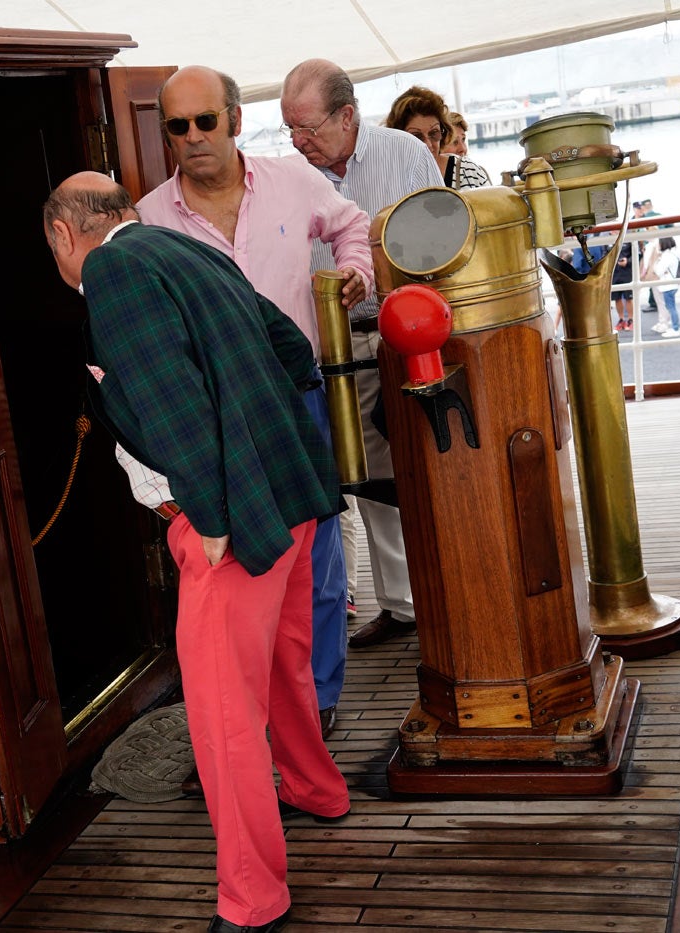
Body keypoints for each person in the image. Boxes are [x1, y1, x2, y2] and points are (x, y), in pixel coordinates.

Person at [42, 172, 349, 933]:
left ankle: (252, 901)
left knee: (222, 712)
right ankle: (316, 788)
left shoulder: (111, 270)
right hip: (290, 488)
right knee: (285, 665)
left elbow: (169, 394)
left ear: (62, 233)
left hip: (232, 519)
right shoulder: (185, 249)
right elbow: (289, 344)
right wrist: (267, 428)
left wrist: (213, 516)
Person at [136, 64, 374, 739]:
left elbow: (352, 223)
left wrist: (354, 273)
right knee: (239, 569)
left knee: (319, 559)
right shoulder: (151, 218)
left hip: (298, 400)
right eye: (177, 126)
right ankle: (257, 705)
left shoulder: (293, 181)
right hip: (216, 418)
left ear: (236, 121)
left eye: (205, 121)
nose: (193, 137)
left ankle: (318, 697)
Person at [281, 58, 441, 649]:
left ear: (347, 116)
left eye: (309, 129)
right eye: (289, 131)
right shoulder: (289, 177)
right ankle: (401, 605)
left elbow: (439, 237)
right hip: (337, 340)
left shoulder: (406, 153)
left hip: (409, 330)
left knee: (429, 466)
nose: (299, 143)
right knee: (368, 476)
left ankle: (444, 594)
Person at [383, 87, 490, 190]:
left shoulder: (467, 171)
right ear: (398, 139)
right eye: (417, 137)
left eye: (434, 133)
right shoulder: (388, 181)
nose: (428, 144)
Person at [645, 237, 680, 337]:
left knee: (671, 308)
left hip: (667, 285)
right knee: (671, 307)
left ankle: (676, 328)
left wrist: (655, 264)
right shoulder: (674, 254)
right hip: (672, 284)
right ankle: (675, 326)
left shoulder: (666, 256)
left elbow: (658, 271)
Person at [612, 239, 634, 332]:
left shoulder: (628, 237)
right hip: (614, 274)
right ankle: (621, 320)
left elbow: (636, 254)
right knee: (617, 299)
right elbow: (604, 255)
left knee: (629, 298)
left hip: (626, 274)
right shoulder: (606, 237)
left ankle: (630, 320)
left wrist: (627, 261)